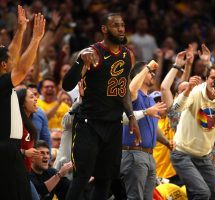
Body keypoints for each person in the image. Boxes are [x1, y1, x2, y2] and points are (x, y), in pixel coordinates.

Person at [62, 13, 140, 200]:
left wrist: (131, 116)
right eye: (115, 25)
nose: (121, 29)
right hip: (89, 124)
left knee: (105, 179)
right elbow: (67, 85)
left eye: (122, 25)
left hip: (113, 125)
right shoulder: (93, 53)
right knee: (81, 176)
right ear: (104, 29)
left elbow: (124, 90)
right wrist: (80, 61)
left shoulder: (128, 54)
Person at [171, 63, 215, 199]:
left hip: (203, 156)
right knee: (202, 193)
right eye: (211, 77)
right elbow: (176, 109)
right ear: (206, 78)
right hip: (182, 154)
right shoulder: (196, 91)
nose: (213, 81)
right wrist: (187, 90)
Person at [0, 6, 45, 199]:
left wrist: (20, 30)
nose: (12, 56)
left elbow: (11, 55)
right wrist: (35, 39)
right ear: (3, 65)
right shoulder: (1, 82)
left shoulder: (2, 82)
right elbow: (22, 69)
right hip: (5, 149)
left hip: (10, 148)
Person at [121, 61, 172, 200]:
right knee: (134, 197)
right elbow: (131, 89)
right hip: (134, 153)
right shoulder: (134, 95)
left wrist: (167, 143)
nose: (153, 74)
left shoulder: (150, 101)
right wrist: (147, 67)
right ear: (139, 75)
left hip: (149, 155)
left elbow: (153, 127)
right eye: (149, 72)